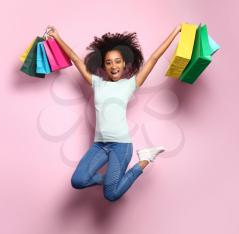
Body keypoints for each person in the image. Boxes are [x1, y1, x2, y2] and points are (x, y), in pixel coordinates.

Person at [47, 24, 181, 202]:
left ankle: (146, 158)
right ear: (103, 66)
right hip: (99, 146)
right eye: (108, 62)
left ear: (125, 63)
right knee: (78, 181)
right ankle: (112, 180)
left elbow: (155, 57)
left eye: (118, 61)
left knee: (111, 194)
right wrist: (57, 36)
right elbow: (74, 58)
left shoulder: (129, 84)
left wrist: (176, 31)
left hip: (121, 146)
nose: (114, 66)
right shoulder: (97, 83)